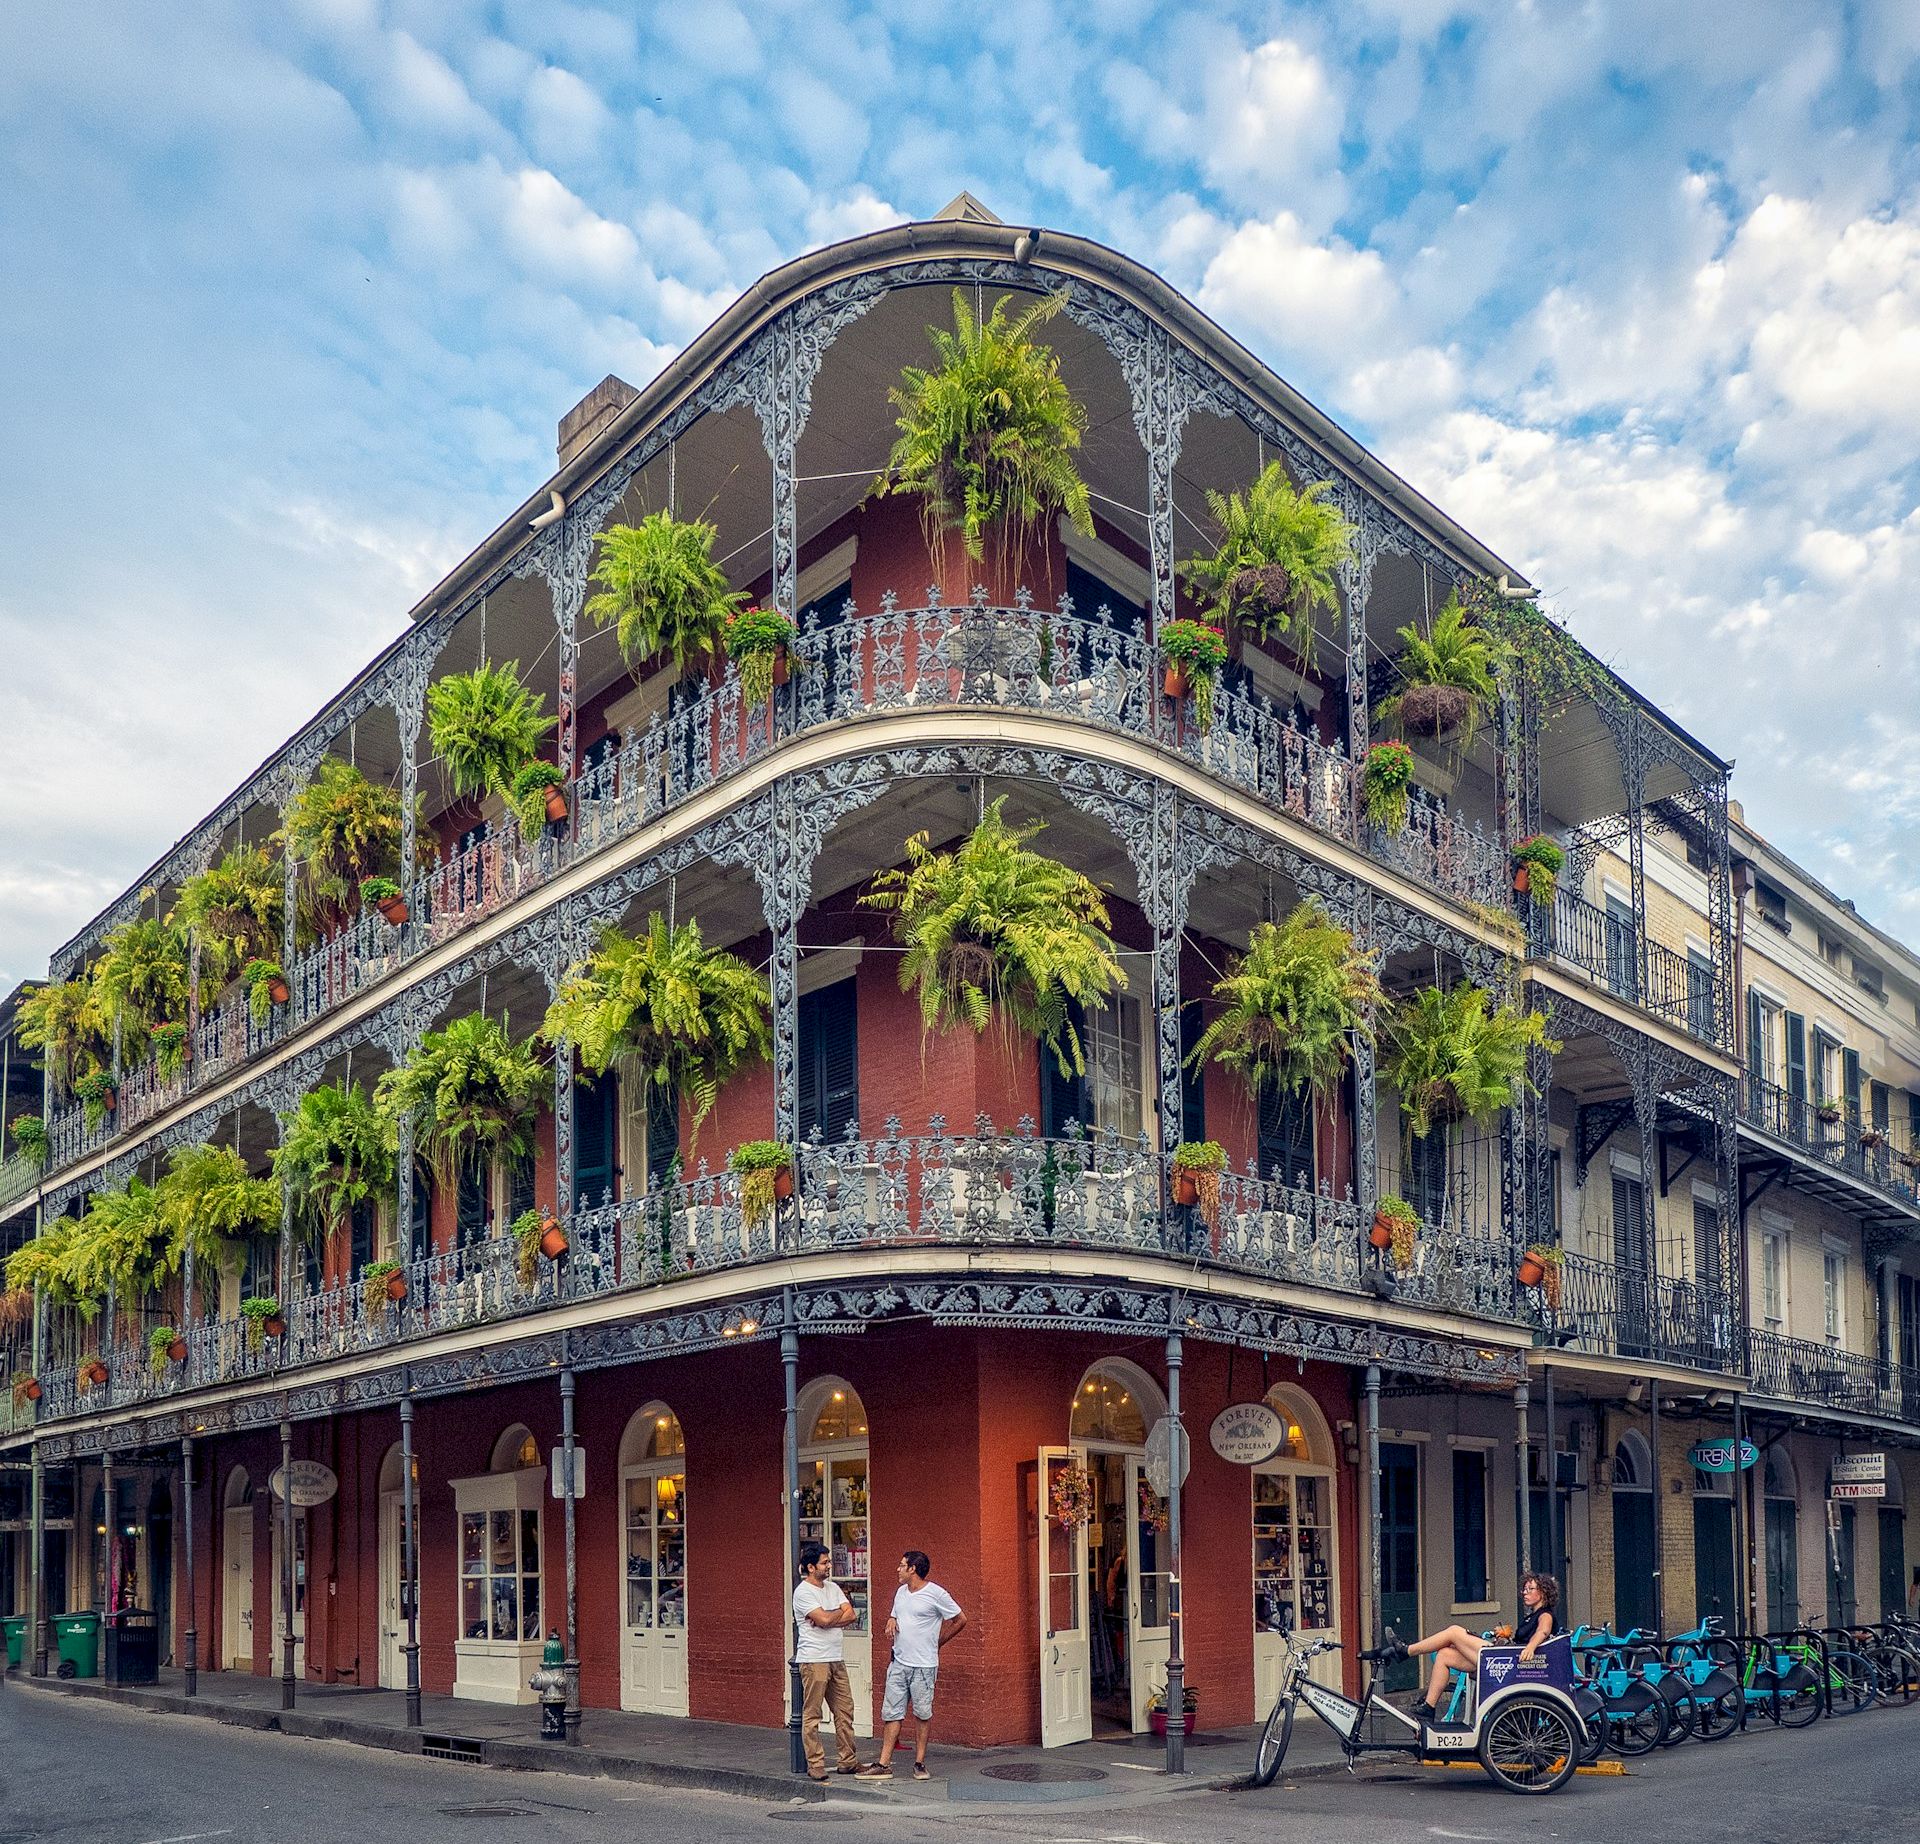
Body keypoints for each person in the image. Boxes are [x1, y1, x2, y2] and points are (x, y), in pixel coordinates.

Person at [857, 1550, 966, 1780]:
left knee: (922, 1713)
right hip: (899, 1662)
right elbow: (897, 1613)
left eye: (902, 1565)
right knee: (891, 1713)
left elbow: (960, 1619)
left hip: (924, 1665)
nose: (898, 1569)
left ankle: (919, 1762)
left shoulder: (936, 1594)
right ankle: (883, 1763)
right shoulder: (901, 1592)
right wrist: (891, 1618)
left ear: (913, 1569)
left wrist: (939, 1642)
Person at [1399, 1570, 1558, 1722]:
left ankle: (1406, 1651)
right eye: (1524, 1589)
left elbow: (1542, 1632)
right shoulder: (1532, 1616)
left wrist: (1530, 1647)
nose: (1525, 1592)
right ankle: (1429, 1707)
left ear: (1543, 1592)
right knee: (1444, 1655)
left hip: (1507, 1662)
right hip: (1505, 1658)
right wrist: (1506, 1635)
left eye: (1530, 1589)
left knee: (1454, 1632)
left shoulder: (1545, 1615)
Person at [792, 1540, 863, 1781]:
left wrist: (826, 1618)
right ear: (811, 1567)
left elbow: (851, 1614)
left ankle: (848, 1760)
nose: (829, 1566)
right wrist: (832, 1616)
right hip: (814, 1659)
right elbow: (822, 1620)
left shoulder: (832, 1588)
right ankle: (816, 1763)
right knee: (812, 1714)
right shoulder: (802, 1592)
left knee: (845, 1710)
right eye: (825, 1562)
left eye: (829, 1561)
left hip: (836, 1657)